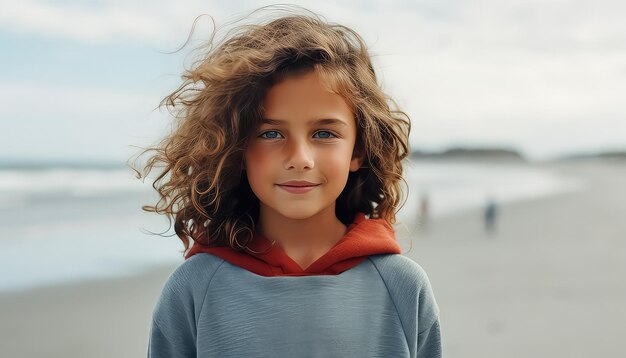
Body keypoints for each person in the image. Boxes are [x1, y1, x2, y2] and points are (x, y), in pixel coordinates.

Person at [136, 6, 441, 357]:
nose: (299, 158)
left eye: (324, 133)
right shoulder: (193, 288)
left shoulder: (403, 286)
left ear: (358, 150)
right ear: (237, 148)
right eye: (271, 133)